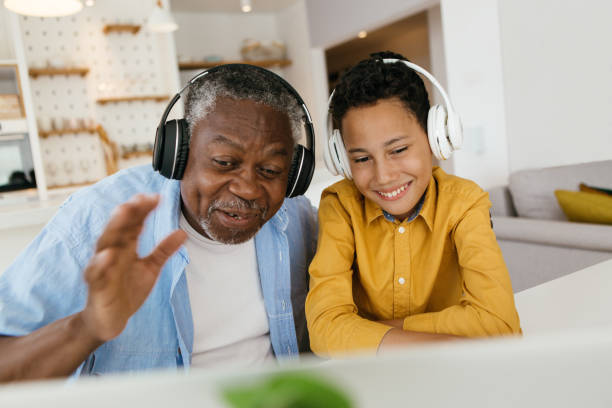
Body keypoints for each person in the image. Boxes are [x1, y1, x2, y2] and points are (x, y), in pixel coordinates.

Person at [0, 64, 317, 382]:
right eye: (224, 162)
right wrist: (87, 327)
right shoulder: (97, 220)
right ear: (178, 153)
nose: (247, 188)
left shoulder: (297, 219)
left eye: (271, 170)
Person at [305, 52, 521, 357]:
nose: (384, 175)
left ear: (437, 136)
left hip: (431, 365)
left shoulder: (465, 203)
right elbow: (324, 331)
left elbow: (500, 324)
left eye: (399, 149)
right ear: (342, 158)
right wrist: (447, 336)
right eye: (362, 158)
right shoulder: (339, 207)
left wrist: (365, 333)